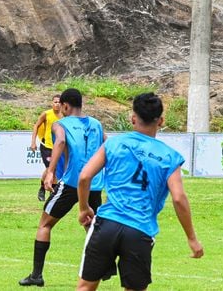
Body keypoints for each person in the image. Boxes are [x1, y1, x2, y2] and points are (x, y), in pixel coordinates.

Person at [76, 93, 204, 291]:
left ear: (133, 118)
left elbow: (84, 176)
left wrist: (84, 208)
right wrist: (192, 238)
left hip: (106, 224)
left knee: (85, 287)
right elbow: (178, 198)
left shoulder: (113, 143)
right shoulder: (170, 157)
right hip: (140, 230)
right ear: (161, 121)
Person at [19, 88, 105, 287]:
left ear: (65, 105)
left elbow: (61, 141)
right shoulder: (97, 124)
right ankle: (104, 267)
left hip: (72, 183)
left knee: (45, 224)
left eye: (62, 107)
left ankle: (36, 275)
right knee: (92, 228)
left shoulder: (60, 124)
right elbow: (107, 145)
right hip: (94, 183)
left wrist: (50, 171)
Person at [30, 94, 62, 201]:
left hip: (59, 147)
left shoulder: (64, 115)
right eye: (55, 102)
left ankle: (50, 190)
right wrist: (33, 142)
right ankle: (43, 188)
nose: (57, 104)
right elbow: (36, 126)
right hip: (47, 146)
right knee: (49, 169)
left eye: (59, 102)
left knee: (56, 170)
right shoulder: (46, 114)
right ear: (52, 103)